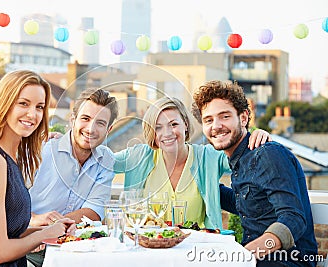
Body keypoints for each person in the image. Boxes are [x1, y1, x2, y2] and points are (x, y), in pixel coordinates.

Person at [0, 70, 75, 267]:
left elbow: (10, 231)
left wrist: (56, 229)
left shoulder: (9, 157)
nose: (32, 114)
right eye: (23, 104)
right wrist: (44, 234)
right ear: (5, 104)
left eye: (39, 107)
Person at [192, 80, 318, 266]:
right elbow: (249, 205)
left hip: (287, 260)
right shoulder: (240, 159)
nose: (216, 126)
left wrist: (245, 254)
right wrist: (202, 184)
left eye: (224, 116)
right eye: (208, 120)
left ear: (243, 118)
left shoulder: (266, 154)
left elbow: (293, 219)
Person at [114, 96, 270, 229]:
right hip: (147, 251)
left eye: (173, 124)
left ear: (185, 125)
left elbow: (244, 151)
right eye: (158, 127)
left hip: (195, 250)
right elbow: (102, 160)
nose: (167, 133)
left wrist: (256, 134)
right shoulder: (138, 157)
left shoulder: (208, 157)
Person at [27, 88, 118, 266]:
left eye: (100, 123)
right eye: (85, 119)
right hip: (27, 247)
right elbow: (8, 204)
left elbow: (93, 211)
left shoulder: (106, 159)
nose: (91, 129)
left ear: (109, 129)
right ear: (72, 120)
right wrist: (38, 227)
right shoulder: (41, 150)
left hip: (72, 251)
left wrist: (53, 229)